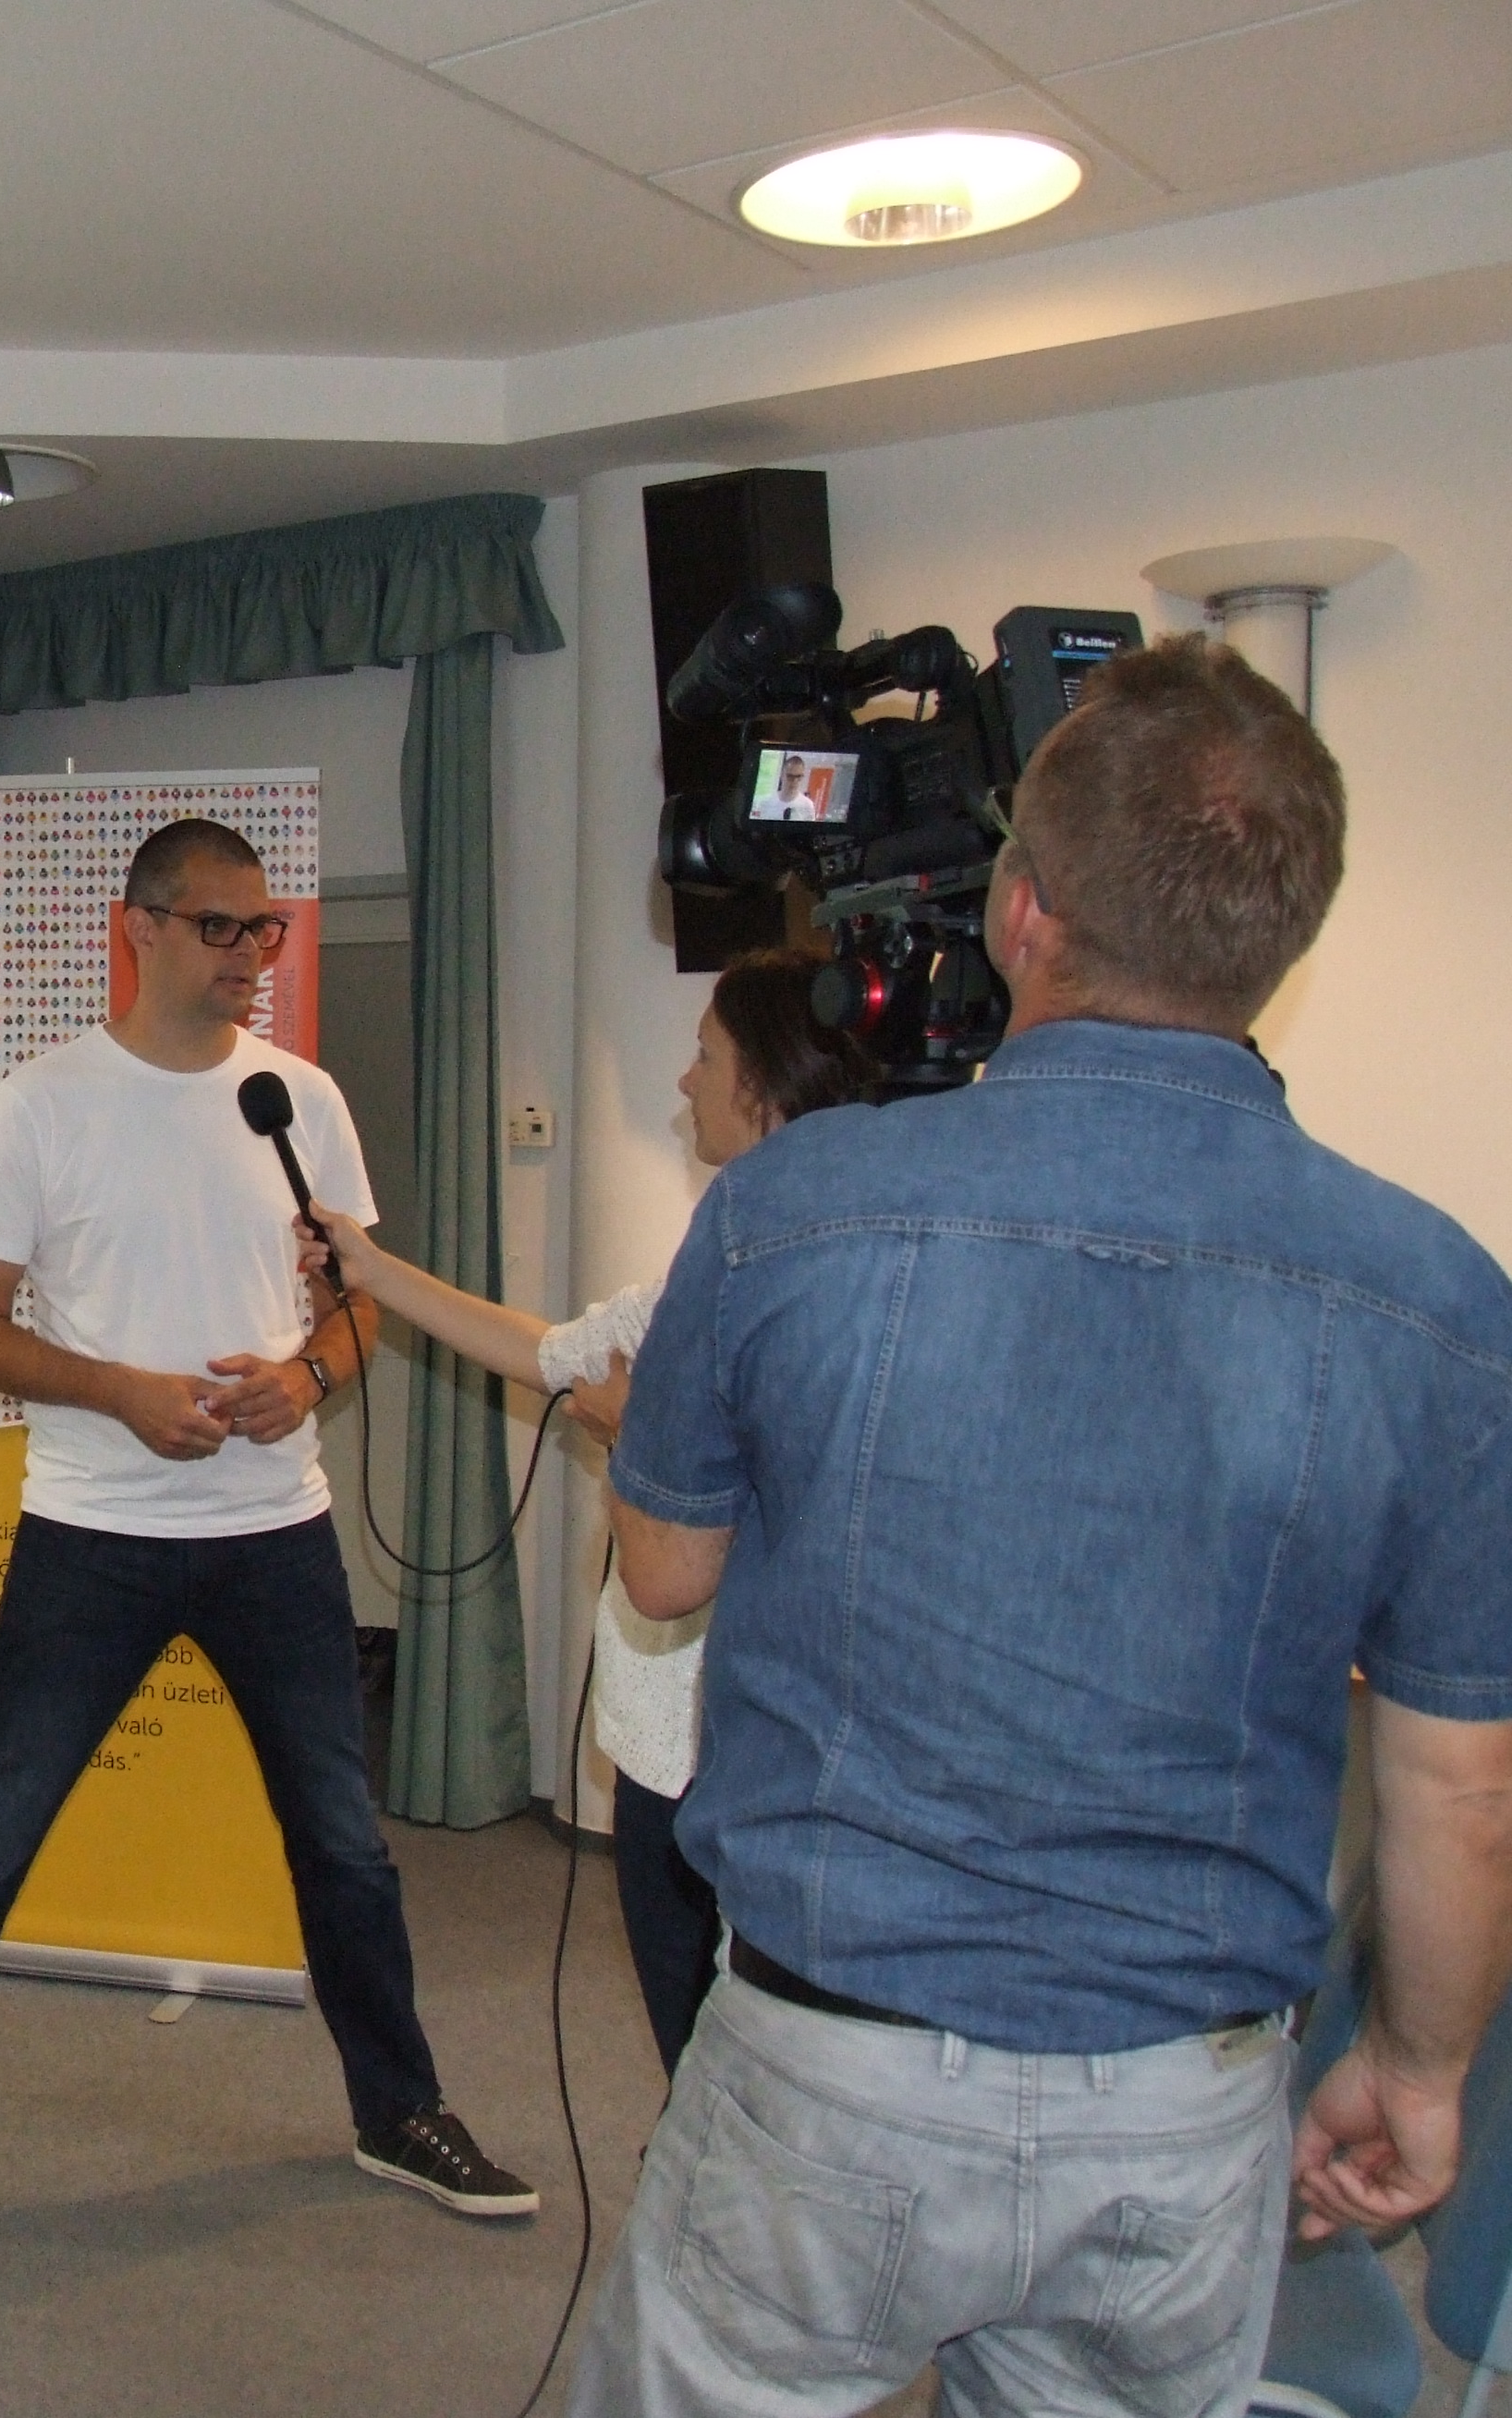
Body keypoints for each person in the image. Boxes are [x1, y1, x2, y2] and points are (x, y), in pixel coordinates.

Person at [568, 635, 1512, 2415]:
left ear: (1020, 910)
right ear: (1279, 939)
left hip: (823, 2069)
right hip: (1182, 2108)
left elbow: (665, 1569)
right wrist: (1415, 2069)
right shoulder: (1442, 1298)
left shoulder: (790, 1208)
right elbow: (1462, 1786)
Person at [0, 816, 538, 2284]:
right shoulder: (47, 1105)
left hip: (276, 1534)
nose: (252, 956)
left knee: (345, 1850)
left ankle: (401, 2113)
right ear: (141, 929)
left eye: (267, 930)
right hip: (93, 1539)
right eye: (221, 927)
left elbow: (357, 1299)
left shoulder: (299, 1101)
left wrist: (307, 1376)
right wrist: (119, 1390)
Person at [305, 948, 874, 2074]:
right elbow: (555, 1353)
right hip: (668, 1745)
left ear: (763, 1081)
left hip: (740, 1748)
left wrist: (634, 1433)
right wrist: (374, 1273)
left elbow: (689, 1536)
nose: (682, 1080)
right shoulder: (717, 1260)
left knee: (726, 2057)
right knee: (704, 2050)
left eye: (704, 1056)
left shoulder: (796, 1279)